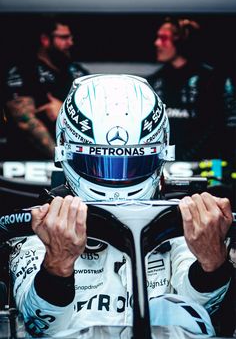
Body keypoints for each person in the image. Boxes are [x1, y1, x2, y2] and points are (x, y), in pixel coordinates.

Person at [8, 74, 234, 336]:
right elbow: (40, 327)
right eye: (99, 164)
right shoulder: (42, 233)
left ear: (161, 156)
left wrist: (212, 262)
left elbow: (203, 314)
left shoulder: (180, 227)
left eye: (133, 164)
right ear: (65, 153)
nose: (116, 179)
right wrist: (57, 265)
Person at [146, 16, 235, 164]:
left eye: (163, 38)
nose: (157, 43)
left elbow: (228, 127)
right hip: (164, 167)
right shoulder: (154, 82)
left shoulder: (215, 81)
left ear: (180, 41)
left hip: (207, 168)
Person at [3, 17, 89, 160]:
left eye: (71, 38)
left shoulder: (77, 72)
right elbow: (25, 121)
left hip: (75, 160)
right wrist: (60, 158)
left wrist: (63, 112)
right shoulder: (24, 71)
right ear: (45, 39)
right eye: (64, 37)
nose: (70, 42)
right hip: (30, 161)